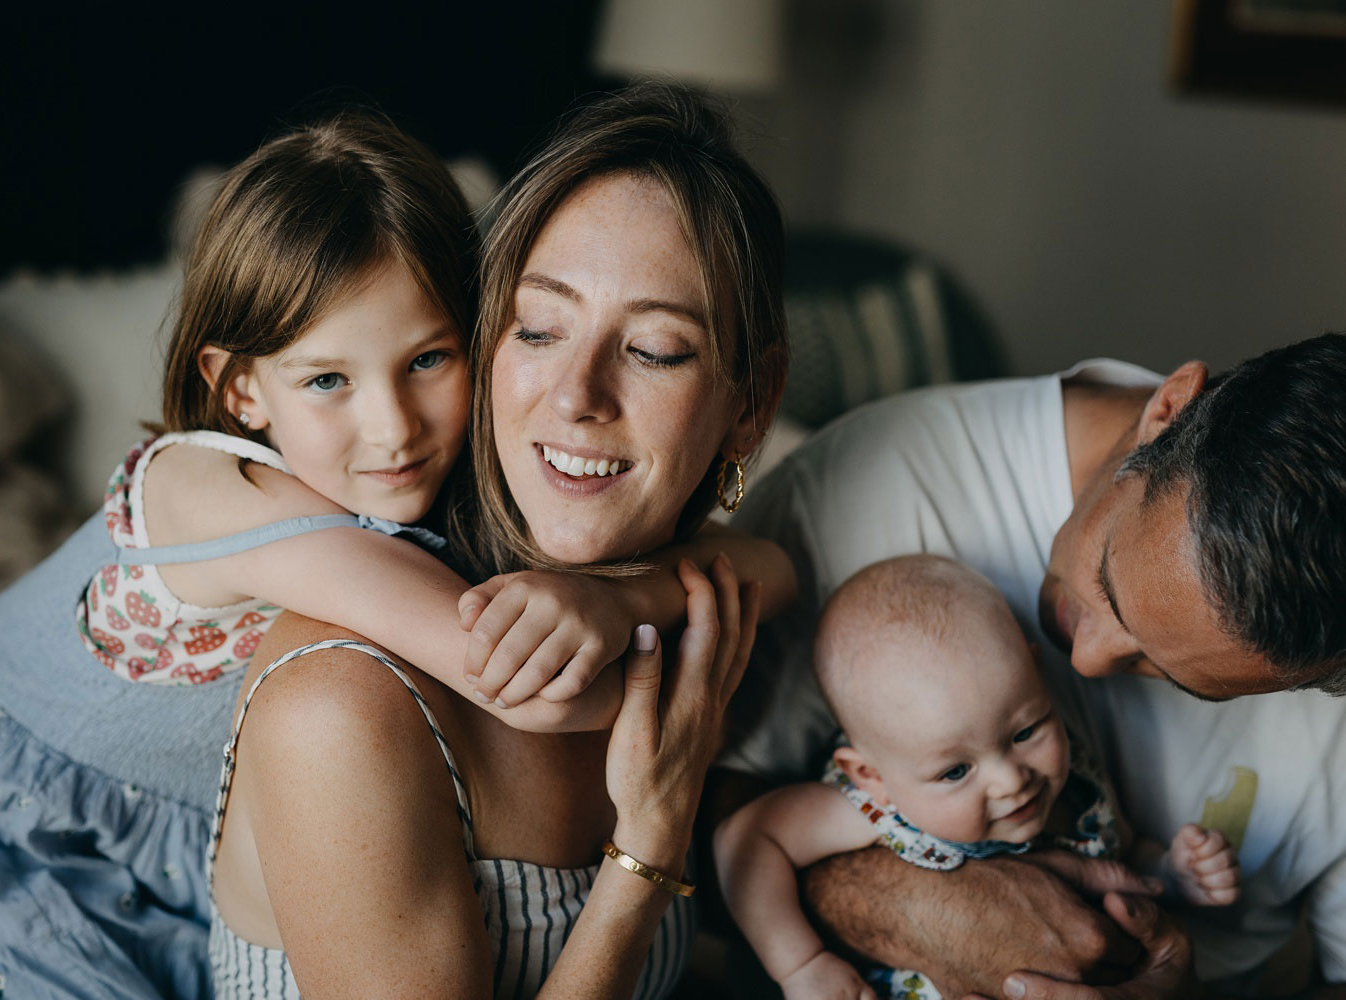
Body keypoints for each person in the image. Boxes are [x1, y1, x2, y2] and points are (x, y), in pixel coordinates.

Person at [0, 105, 787, 999]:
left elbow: (772, 565)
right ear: (243, 391)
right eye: (328, 378)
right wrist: (668, 728)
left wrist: (628, 600)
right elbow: (527, 682)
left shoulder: (437, 502)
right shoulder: (215, 495)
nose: (392, 429)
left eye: (430, 359)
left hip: (125, 860)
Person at [206, 81, 792, 998]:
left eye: (656, 350)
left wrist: (624, 597)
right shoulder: (341, 704)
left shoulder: (692, 611)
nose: (576, 395)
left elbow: (774, 568)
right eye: (540, 328)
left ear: (751, 404)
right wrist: (648, 846)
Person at [719, 335, 1346, 999]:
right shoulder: (867, 491)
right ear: (1166, 411)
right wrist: (905, 908)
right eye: (1108, 579)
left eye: (1175, 676)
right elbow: (690, 829)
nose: (1081, 658)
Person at [715, 555, 1239, 1000]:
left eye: (1025, 731)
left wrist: (1171, 872)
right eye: (956, 771)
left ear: (1035, 677)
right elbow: (746, 838)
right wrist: (799, 964)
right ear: (870, 774)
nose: (1011, 780)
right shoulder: (875, 808)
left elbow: (1123, 850)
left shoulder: (1074, 780)